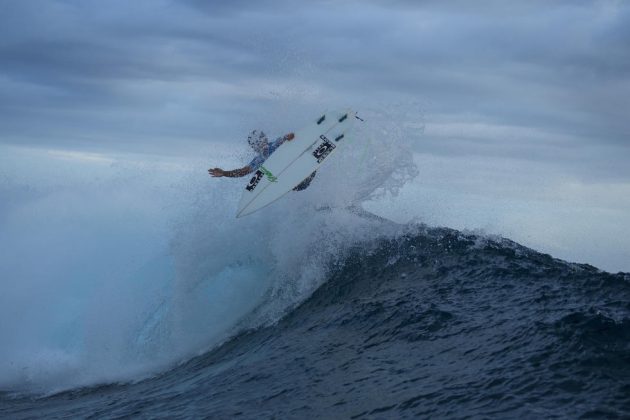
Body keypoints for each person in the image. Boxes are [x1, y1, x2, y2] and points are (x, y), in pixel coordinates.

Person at [208, 130, 317, 191]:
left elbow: (288, 137)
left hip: (306, 171)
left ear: (265, 139)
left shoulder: (276, 143)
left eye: (262, 139)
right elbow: (242, 172)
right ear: (254, 147)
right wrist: (224, 173)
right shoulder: (259, 160)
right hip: (296, 185)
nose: (261, 144)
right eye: (257, 143)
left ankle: (312, 157)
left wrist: (289, 137)